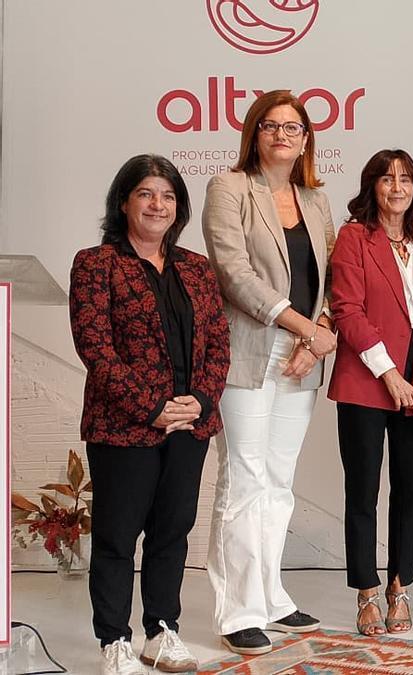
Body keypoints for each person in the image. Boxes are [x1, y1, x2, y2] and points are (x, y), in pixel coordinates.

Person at [69, 154, 229, 674]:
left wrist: (200, 400)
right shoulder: (95, 264)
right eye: (146, 193)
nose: (158, 205)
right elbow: (96, 349)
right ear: (124, 202)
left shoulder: (196, 268)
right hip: (123, 427)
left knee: (172, 532)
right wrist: (152, 408)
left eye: (168, 196)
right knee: (117, 537)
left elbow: (218, 343)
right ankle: (114, 640)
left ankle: (161, 632)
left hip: (190, 425)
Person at [201, 90, 336, 655]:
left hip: (303, 357)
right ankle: (238, 610)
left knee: (279, 481)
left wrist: (319, 332)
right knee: (243, 479)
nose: (283, 135)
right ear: (254, 134)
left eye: (293, 127)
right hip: (250, 352)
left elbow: (333, 278)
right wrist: (306, 328)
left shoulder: (315, 199)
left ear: (306, 140)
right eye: (271, 126)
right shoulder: (229, 188)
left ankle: (272, 598)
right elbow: (233, 274)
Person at [328, 149, 413, 636]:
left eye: (406, 179)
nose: (397, 187)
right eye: (388, 178)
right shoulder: (354, 237)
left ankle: (400, 587)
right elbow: (347, 310)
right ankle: (367, 592)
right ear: (372, 185)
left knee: (409, 489)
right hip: (366, 381)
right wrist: (389, 374)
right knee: (364, 491)